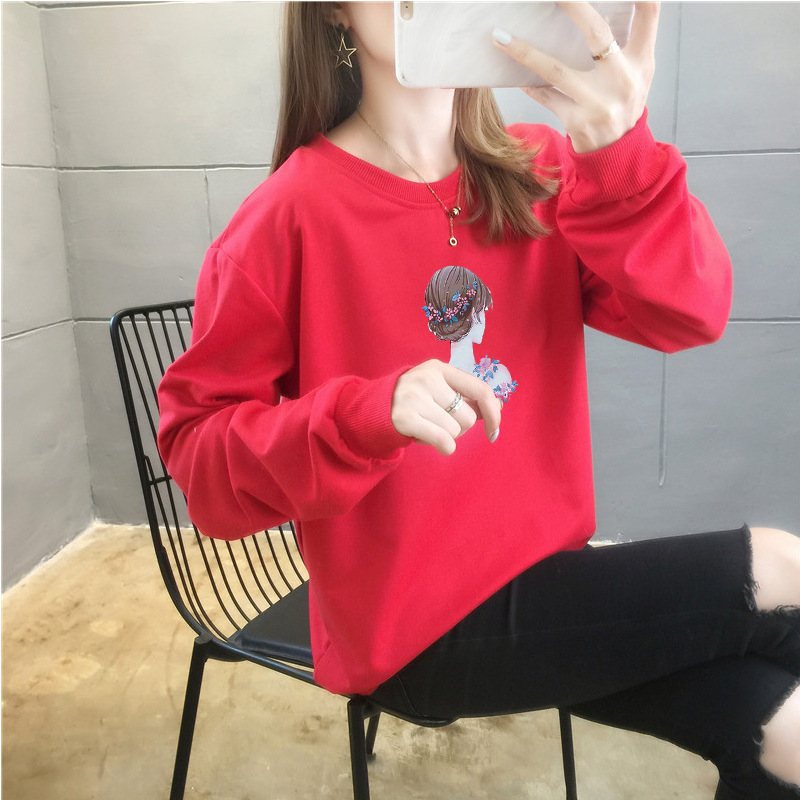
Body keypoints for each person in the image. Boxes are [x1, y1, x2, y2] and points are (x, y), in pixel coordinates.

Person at [156, 2, 800, 796]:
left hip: (549, 581)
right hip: (415, 630)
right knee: (781, 566)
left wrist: (621, 154)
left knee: (788, 738)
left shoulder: (541, 171)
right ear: (332, 10)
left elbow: (691, 314)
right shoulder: (286, 218)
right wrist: (363, 416)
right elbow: (201, 462)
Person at [423, 265, 517, 402]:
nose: (484, 319)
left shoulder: (430, 385)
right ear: (473, 313)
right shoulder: (497, 376)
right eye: (483, 309)